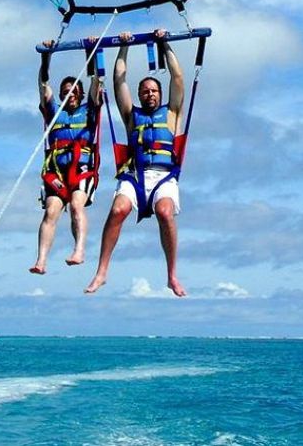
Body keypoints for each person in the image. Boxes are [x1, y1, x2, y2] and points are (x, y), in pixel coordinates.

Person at [85, 29, 187, 297]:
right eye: (145, 91)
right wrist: (124, 46)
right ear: (140, 95)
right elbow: (119, 80)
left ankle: (172, 275)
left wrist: (165, 43)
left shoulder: (172, 112)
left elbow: (177, 77)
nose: (150, 94)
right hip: (135, 175)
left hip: (164, 176)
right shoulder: (132, 115)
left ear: (160, 94)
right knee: (118, 210)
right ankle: (101, 272)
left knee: (165, 213)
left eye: (154, 91)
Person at [30, 39, 102, 275]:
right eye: (65, 91)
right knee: (51, 210)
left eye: (74, 90)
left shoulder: (89, 109)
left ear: (80, 94)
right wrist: (46, 56)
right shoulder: (54, 112)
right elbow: (43, 85)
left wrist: (91, 52)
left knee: (76, 205)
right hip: (56, 171)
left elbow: (96, 81)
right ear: (61, 95)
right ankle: (41, 261)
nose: (70, 93)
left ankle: (79, 250)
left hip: (82, 168)